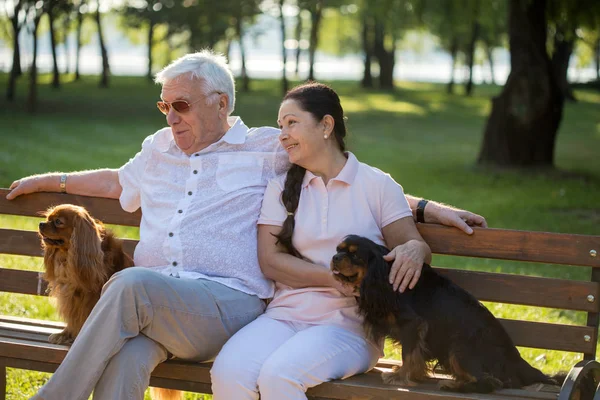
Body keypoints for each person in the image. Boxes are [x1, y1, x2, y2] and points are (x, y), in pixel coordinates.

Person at [6, 51, 486, 400]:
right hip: (158, 307)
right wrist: (54, 180)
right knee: (128, 356)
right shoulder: (158, 148)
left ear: (220, 103)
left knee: (130, 284)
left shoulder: (265, 149)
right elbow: (118, 181)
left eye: (182, 105)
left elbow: (337, 173)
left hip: (225, 304)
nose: (171, 116)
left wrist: (428, 209)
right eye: (164, 106)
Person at [210, 82, 434, 399]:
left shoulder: (377, 185)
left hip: (350, 328)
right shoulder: (280, 188)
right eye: (280, 126)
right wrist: (332, 280)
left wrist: (414, 248)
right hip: (284, 317)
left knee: (280, 376)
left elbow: (414, 247)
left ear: (326, 125)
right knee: (228, 373)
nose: (282, 134)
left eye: (292, 123)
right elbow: (270, 260)